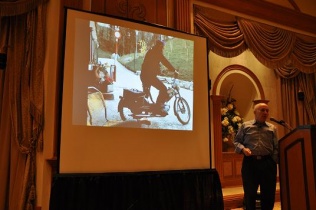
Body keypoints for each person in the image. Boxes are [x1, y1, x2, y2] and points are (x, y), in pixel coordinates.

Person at [234, 103, 278, 210]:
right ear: (255, 112)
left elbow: (276, 147)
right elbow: (236, 142)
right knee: (250, 193)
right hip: (250, 163)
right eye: (262, 110)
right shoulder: (245, 126)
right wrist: (243, 149)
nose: (265, 113)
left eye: (267, 110)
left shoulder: (272, 128)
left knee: (268, 194)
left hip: (267, 163)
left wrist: (273, 162)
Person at [140, 40, 178, 116]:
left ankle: (148, 110)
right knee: (163, 89)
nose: (163, 48)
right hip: (149, 76)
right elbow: (165, 61)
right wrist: (174, 70)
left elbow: (152, 64)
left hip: (145, 75)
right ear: (160, 46)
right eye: (163, 47)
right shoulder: (157, 53)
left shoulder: (152, 50)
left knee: (146, 94)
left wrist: (160, 72)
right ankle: (158, 107)